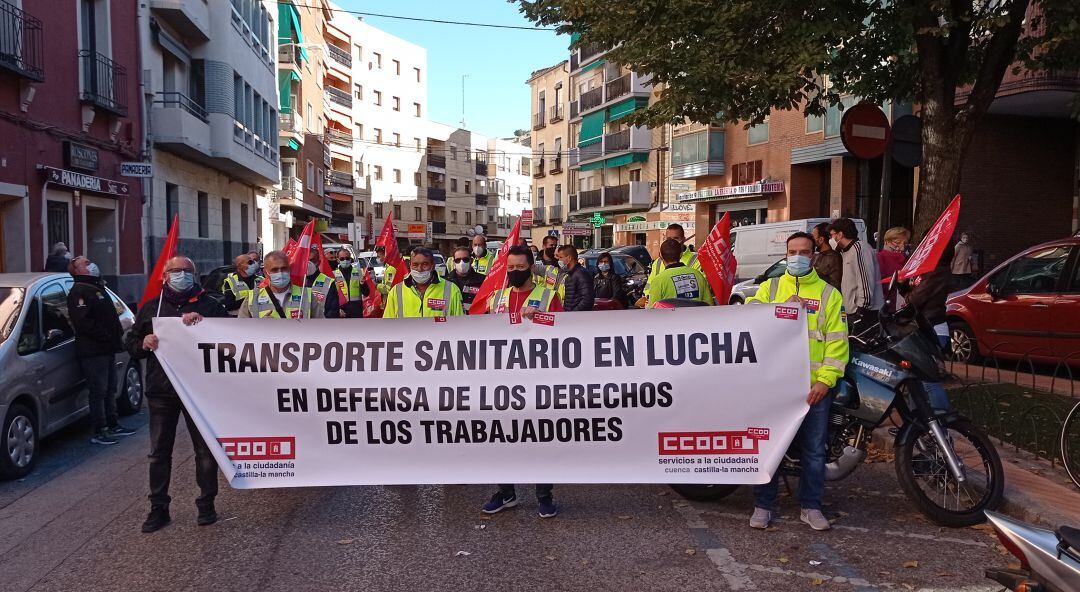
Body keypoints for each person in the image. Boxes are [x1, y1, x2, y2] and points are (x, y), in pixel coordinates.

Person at [747, 232, 849, 532]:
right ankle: (763, 505)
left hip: (812, 389)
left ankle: (811, 506)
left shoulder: (830, 294)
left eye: (804, 251)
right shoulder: (772, 287)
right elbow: (747, 317)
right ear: (785, 254)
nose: (797, 257)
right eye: (792, 251)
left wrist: (826, 381)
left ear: (814, 255)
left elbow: (838, 344)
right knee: (769, 448)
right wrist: (774, 310)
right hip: (774, 386)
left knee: (814, 451)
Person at [126, 255, 228, 532]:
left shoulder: (210, 305)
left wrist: (205, 325)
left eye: (186, 271)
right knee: (159, 453)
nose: (181, 274)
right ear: (165, 275)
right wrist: (143, 342)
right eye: (175, 270)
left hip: (199, 390)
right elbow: (131, 343)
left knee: (205, 451)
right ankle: (158, 509)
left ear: (194, 275)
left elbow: (230, 342)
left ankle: (206, 505)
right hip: (162, 390)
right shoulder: (152, 307)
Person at [481, 246, 562, 519]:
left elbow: (566, 334)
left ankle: (544, 495)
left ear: (531, 267)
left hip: (539, 381)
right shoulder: (496, 298)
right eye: (510, 268)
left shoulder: (549, 296)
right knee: (502, 440)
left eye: (520, 267)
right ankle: (506, 492)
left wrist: (538, 320)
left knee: (540, 439)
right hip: (502, 382)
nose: (514, 272)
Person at [67, 255, 136, 445]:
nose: (91, 264)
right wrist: (105, 335)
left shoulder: (96, 287)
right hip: (93, 350)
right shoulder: (79, 291)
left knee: (110, 388)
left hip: (106, 348)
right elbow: (83, 322)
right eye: (85, 263)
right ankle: (100, 430)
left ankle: (113, 424)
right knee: (98, 390)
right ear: (77, 271)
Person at [829, 218, 883, 335]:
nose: (831, 239)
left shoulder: (860, 249)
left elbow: (865, 280)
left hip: (864, 312)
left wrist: (861, 309)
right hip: (852, 311)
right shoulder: (845, 252)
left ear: (840, 234)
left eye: (832, 235)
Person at [383, 247, 464, 318]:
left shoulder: (452, 290)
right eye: (415, 265)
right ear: (410, 266)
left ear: (432, 266)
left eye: (425, 264)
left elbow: (460, 326)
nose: (419, 269)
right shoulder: (396, 292)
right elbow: (387, 326)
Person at [238, 250, 319, 319]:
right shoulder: (252, 298)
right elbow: (242, 330)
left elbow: (320, 327)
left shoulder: (306, 295)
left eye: (284, 268)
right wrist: (260, 326)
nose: (280, 273)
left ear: (289, 269)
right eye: (274, 270)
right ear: (266, 273)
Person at [645, 239, 714, 307]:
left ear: (660, 256)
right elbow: (709, 305)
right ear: (681, 254)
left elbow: (653, 311)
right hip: (696, 317)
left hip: (671, 318)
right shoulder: (698, 275)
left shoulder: (658, 280)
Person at [643, 224, 700, 304]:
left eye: (676, 238)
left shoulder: (696, 260)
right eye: (669, 239)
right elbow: (650, 286)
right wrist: (647, 297)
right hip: (664, 311)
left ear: (684, 239)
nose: (672, 242)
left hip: (688, 308)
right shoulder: (658, 262)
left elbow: (699, 289)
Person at [445, 245, 486, 311]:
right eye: (457, 260)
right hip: (452, 320)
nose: (461, 263)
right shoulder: (445, 282)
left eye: (465, 259)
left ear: (471, 261)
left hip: (474, 320)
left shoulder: (483, 281)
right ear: (454, 262)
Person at [557, 244, 594, 311]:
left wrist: (574, 313)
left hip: (577, 317)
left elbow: (587, 300)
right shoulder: (570, 273)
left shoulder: (581, 274)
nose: (559, 260)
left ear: (569, 258)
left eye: (561, 257)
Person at [333, 248, 368, 318]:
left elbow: (366, 293)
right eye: (342, 259)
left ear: (350, 259)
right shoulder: (333, 274)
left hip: (356, 310)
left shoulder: (359, 272)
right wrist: (336, 308)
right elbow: (331, 296)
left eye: (347, 258)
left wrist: (363, 284)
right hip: (341, 310)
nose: (345, 260)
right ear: (338, 260)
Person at [307, 247, 340, 319]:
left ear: (318, 262)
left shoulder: (328, 282)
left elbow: (333, 311)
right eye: (306, 260)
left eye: (312, 261)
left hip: (322, 326)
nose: (309, 264)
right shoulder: (296, 281)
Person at [810, 222, 842, 289]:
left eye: (813, 237)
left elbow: (835, 284)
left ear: (821, 239)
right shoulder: (816, 256)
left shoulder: (834, 258)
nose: (811, 240)